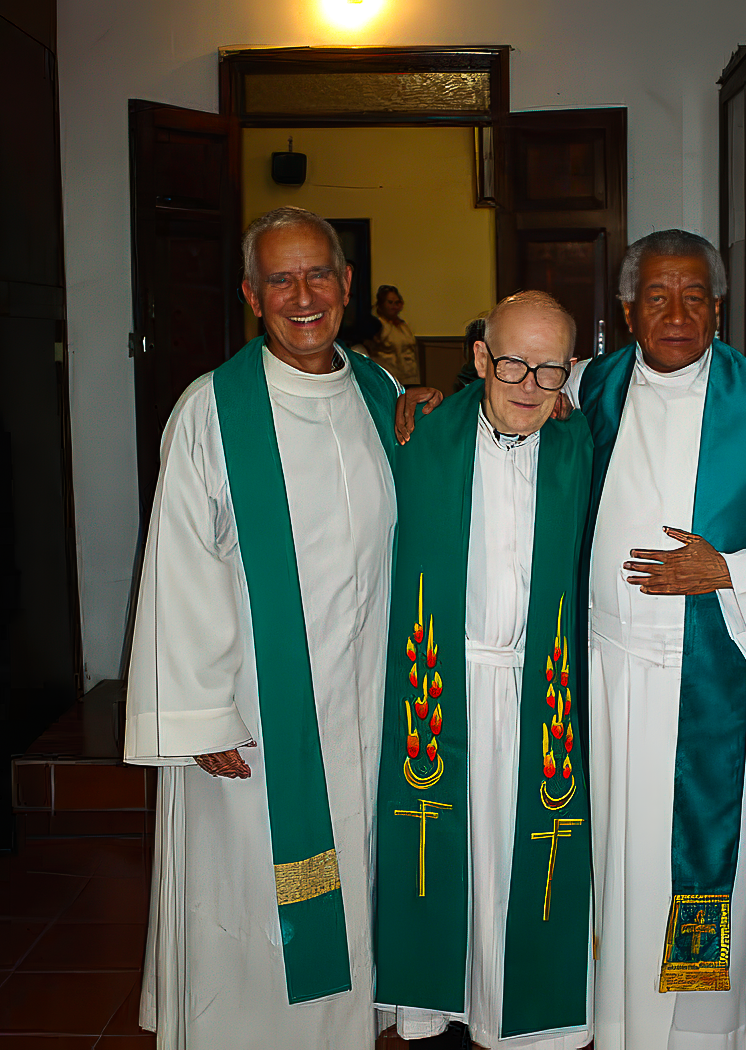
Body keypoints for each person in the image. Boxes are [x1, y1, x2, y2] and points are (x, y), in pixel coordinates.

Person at [124, 206, 438, 1050]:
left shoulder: (378, 392)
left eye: (317, 275)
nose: (303, 296)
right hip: (255, 720)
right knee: (254, 904)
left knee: (354, 881)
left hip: (366, 704)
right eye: (280, 280)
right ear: (251, 296)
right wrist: (201, 713)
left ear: (346, 284)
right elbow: (180, 565)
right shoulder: (211, 411)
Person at [565, 230, 746, 1049]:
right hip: (607, 683)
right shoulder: (585, 389)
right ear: (627, 309)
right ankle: (618, 1023)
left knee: (722, 868)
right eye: (656, 296)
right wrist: (426, 399)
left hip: (724, 685)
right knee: (620, 864)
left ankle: (717, 1036)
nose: (676, 313)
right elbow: (498, 414)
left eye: (694, 296)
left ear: (718, 308)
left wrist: (728, 569)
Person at [375, 292, 594, 1050]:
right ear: (478, 358)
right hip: (442, 686)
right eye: (511, 364)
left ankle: (518, 1020)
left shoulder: (582, 445)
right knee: (449, 854)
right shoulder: (416, 434)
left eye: (548, 368)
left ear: (570, 371)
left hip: (541, 690)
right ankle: (438, 1007)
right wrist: (407, 395)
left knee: (518, 856)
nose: (529, 385)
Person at [362, 284, 421, 387]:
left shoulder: (403, 326)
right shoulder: (376, 325)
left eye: (397, 302)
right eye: (390, 302)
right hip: (386, 381)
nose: (394, 306)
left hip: (410, 380)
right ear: (381, 304)